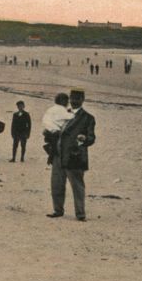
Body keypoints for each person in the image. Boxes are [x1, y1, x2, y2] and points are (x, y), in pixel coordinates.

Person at [48, 88, 96, 221]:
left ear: (82, 100)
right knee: (56, 184)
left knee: (77, 186)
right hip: (58, 155)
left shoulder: (88, 118)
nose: (74, 101)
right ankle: (57, 210)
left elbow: (91, 138)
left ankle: (80, 214)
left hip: (75, 157)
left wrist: (84, 139)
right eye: (72, 98)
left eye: (77, 99)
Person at [42, 93, 72, 165]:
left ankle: (51, 155)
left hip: (50, 133)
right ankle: (51, 156)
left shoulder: (53, 109)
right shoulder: (60, 109)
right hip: (55, 133)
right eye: (66, 101)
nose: (67, 103)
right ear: (61, 101)